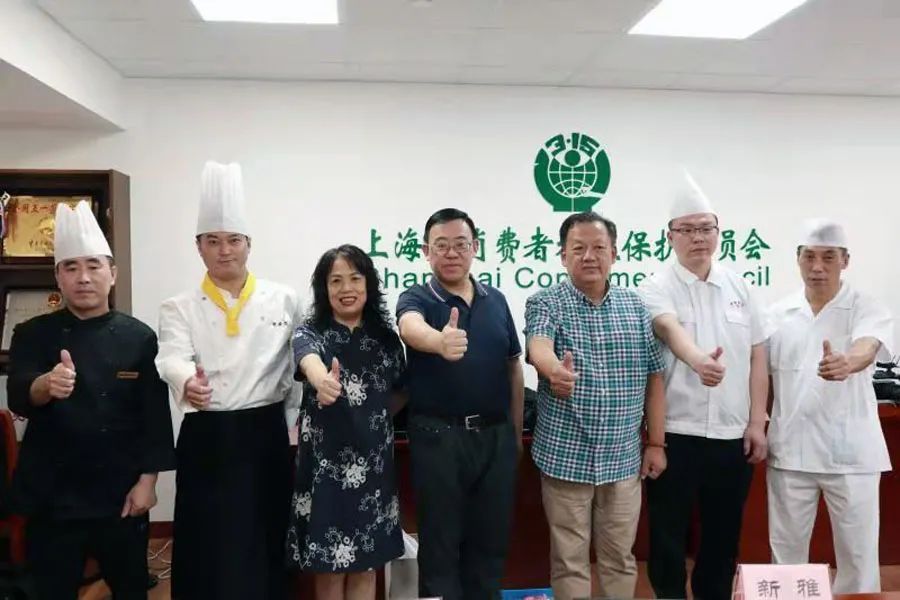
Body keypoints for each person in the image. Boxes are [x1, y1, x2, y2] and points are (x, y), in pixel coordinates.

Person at [6, 201, 175, 599]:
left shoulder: (140, 337)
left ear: (112, 274)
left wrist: (148, 483)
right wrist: (46, 385)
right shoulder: (31, 333)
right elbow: (19, 394)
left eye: (93, 266)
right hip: (52, 496)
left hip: (120, 494)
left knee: (130, 589)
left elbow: (154, 416)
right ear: (58, 278)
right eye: (71, 268)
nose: (83, 277)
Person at [155, 161, 301, 599]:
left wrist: (293, 422)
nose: (224, 251)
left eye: (233, 240)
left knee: (267, 530)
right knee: (207, 539)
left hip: (266, 432)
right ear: (198, 247)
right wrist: (187, 381)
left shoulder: (284, 298)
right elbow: (171, 356)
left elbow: (299, 362)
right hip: (208, 433)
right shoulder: (178, 306)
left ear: (248, 244)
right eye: (213, 241)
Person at [638, 171, 771, 600]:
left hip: (732, 435)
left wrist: (757, 422)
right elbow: (668, 328)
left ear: (718, 231)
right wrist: (697, 360)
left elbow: (758, 356)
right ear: (670, 236)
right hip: (677, 433)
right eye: (687, 230)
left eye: (706, 228)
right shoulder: (655, 287)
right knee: (667, 535)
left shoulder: (740, 287)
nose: (698, 237)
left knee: (723, 535)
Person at [524, 211, 667, 600]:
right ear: (563, 255)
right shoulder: (546, 302)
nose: (589, 256)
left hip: (623, 460)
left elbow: (655, 377)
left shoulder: (636, 307)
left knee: (620, 558)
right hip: (566, 457)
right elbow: (539, 345)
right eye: (578, 248)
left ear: (614, 254)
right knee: (569, 560)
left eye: (599, 247)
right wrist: (554, 370)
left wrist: (656, 443)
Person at [396, 208, 523, 600]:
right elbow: (409, 327)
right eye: (441, 246)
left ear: (475, 247)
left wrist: (514, 434)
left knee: (490, 543)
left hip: (495, 438)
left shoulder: (496, 300)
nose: (451, 253)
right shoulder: (417, 297)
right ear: (426, 251)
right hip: (438, 438)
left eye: (460, 244)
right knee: (440, 544)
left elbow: (513, 368)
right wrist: (439, 341)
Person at [767, 219, 892, 594]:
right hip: (791, 452)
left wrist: (847, 362)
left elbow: (867, 346)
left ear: (845, 261)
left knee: (858, 557)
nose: (818, 267)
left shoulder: (866, 306)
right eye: (809, 257)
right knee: (786, 555)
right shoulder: (777, 314)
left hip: (851, 454)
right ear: (798, 260)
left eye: (828, 257)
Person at [286, 244, 406, 600]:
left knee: (366, 566)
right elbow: (307, 359)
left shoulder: (386, 340)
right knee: (329, 569)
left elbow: (400, 391)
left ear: (369, 284)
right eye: (335, 280)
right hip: (325, 470)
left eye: (355, 278)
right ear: (324, 289)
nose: (346, 288)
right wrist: (321, 380)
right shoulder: (311, 332)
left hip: (373, 467)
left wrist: (371, 419)